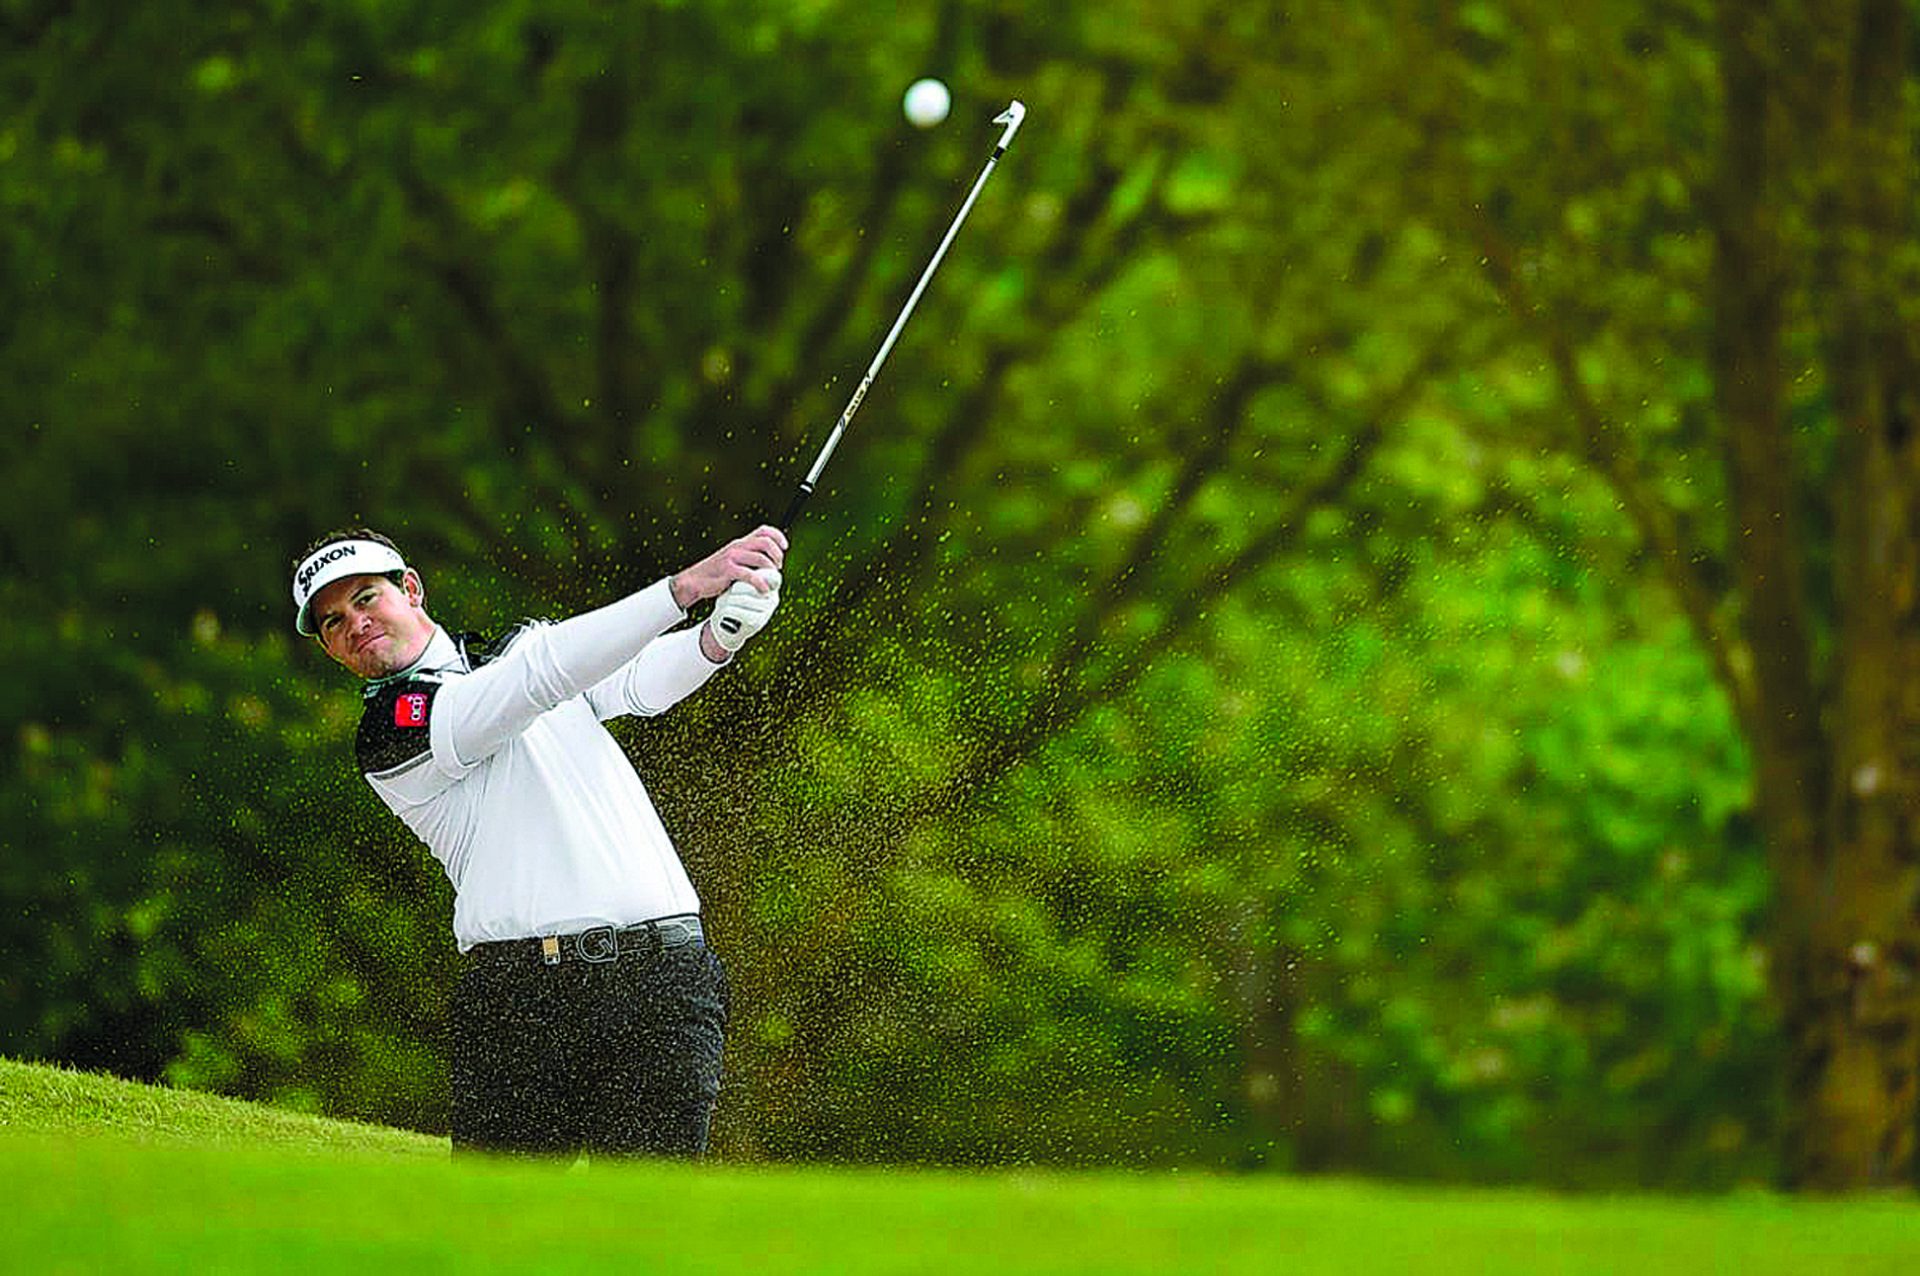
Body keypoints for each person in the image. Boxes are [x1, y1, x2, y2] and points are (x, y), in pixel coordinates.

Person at [289, 524, 786, 1159]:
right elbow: (537, 681)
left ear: (409, 589)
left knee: (644, 1231)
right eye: (331, 622)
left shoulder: (519, 649)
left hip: (661, 982)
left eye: (364, 598)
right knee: (504, 1237)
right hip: (517, 1001)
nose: (352, 624)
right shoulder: (390, 732)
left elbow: (637, 684)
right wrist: (685, 588)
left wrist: (719, 637)